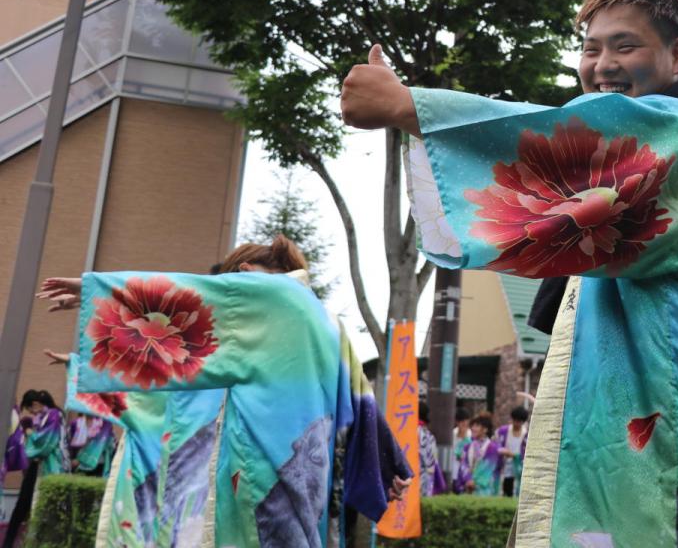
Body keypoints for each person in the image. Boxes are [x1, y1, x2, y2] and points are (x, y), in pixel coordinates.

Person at [342, 0, 678, 546]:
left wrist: (410, 106)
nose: (602, 64)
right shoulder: (660, 131)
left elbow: (572, 141)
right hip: (652, 384)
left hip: (672, 386)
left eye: (625, 45)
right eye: (591, 49)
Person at [38, 235, 411, 547]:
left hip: (262, 469)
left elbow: (190, 308)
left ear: (244, 273)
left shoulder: (267, 294)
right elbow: (361, 396)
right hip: (311, 472)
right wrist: (383, 466)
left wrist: (108, 299)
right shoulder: (328, 320)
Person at [3, 390, 67, 548]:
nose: (31, 413)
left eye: (30, 408)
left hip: (50, 467)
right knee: (24, 505)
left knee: (43, 506)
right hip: (37, 465)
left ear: (36, 404)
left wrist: (30, 435)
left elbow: (46, 442)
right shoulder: (42, 417)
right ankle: (11, 542)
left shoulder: (54, 415)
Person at [455, 413, 502, 496]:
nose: (473, 428)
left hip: (485, 490)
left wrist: (474, 482)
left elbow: (488, 468)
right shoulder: (467, 447)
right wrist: (468, 480)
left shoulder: (492, 448)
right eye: (472, 426)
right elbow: (463, 465)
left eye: (477, 426)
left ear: (485, 429)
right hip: (467, 488)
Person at [496, 406, 529, 497]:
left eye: (519, 421)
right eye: (514, 420)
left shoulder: (526, 435)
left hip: (518, 468)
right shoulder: (503, 431)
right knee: (503, 490)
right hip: (503, 466)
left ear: (522, 422)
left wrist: (515, 455)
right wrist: (503, 451)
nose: (516, 423)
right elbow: (495, 445)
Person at [417, 401, 447, 497]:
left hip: (411, 480)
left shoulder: (408, 432)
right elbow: (433, 461)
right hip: (427, 481)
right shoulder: (429, 436)